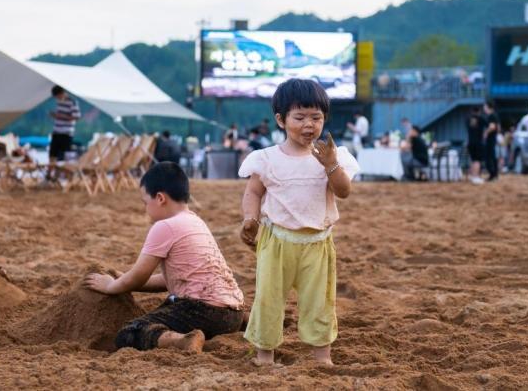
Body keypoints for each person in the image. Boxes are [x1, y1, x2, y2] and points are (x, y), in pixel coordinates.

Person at [238, 78, 359, 366]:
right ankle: (264, 355)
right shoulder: (266, 158)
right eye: (300, 117)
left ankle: (322, 358)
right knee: (268, 299)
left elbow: (343, 191)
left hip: (317, 243)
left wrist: (330, 164)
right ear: (281, 120)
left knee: (320, 302)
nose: (309, 125)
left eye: (316, 117)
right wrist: (249, 218)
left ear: (325, 119)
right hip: (276, 240)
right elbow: (253, 192)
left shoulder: (335, 157)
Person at [84, 162, 244, 352]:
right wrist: (124, 277)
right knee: (171, 302)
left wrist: (110, 285)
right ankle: (248, 321)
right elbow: (170, 279)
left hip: (204, 312)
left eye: (145, 203)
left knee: (131, 332)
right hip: (233, 314)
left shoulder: (164, 226)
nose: (145, 209)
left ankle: (181, 341)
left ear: (160, 198)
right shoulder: (195, 221)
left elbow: (139, 276)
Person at [48, 85, 81, 164]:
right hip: (56, 132)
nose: (57, 98)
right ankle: (50, 173)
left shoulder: (72, 102)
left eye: (58, 96)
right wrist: (55, 116)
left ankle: (61, 173)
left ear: (62, 93)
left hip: (66, 133)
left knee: (65, 156)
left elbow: (77, 117)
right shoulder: (59, 102)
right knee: (52, 154)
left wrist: (60, 116)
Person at [467, 106, 485, 185]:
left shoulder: (468, 119)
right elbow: (489, 125)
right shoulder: (481, 119)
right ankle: (476, 177)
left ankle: (471, 176)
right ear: (479, 111)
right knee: (477, 160)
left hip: (470, 142)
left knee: (473, 160)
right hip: (478, 142)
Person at [483, 100, 500, 181]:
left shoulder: (491, 116)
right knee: (492, 157)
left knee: (489, 157)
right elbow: (498, 127)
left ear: (488, 107)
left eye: (485, 106)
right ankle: (494, 174)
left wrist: (485, 133)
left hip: (490, 139)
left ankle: (492, 174)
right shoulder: (494, 115)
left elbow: (492, 127)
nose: (484, 108)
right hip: (493, 139)